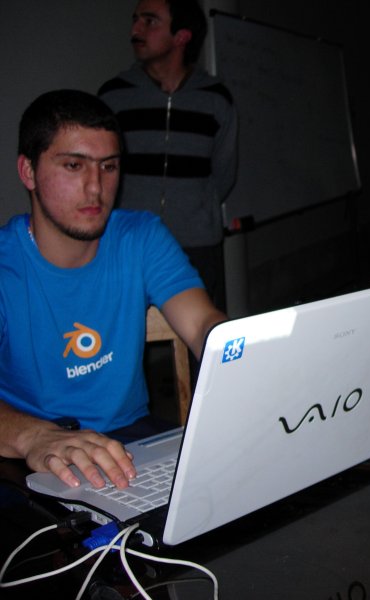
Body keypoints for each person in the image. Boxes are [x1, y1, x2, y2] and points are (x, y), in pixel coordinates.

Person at [0, 89, 227, 491]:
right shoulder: (6, 264)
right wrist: (33, 436)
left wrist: (253, 362)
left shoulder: (141, 235)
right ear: (28, 171)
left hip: (132, 439)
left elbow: (203, 325)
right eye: (74, 165)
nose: (96, 188)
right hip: (28, 450)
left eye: (108, 166)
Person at [98, 0, 238, 313]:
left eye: (150, 21)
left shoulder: (216, 98)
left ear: (181, 36)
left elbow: (224, 173)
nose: (135, 29)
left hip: (197, 245)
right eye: (135, 19)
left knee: (200, 332)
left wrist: (193, 210)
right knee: (129, 331)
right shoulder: (114, 95)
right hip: (130, 242)